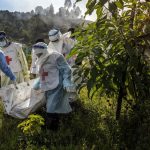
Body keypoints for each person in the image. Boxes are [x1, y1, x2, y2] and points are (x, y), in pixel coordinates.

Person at [32, 42, 75, 130]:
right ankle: (54, 124)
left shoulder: (56, 56)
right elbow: (42, 73)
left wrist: (66, 81)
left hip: (57, 84)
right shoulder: (39, 58)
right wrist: (38, 83)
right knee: (50, 105)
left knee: (51, 108)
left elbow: (66, 69)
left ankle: (52, 130)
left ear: (45, 50)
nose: (38, 55)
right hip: (46, 85)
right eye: (37, 54)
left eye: (40, 53)